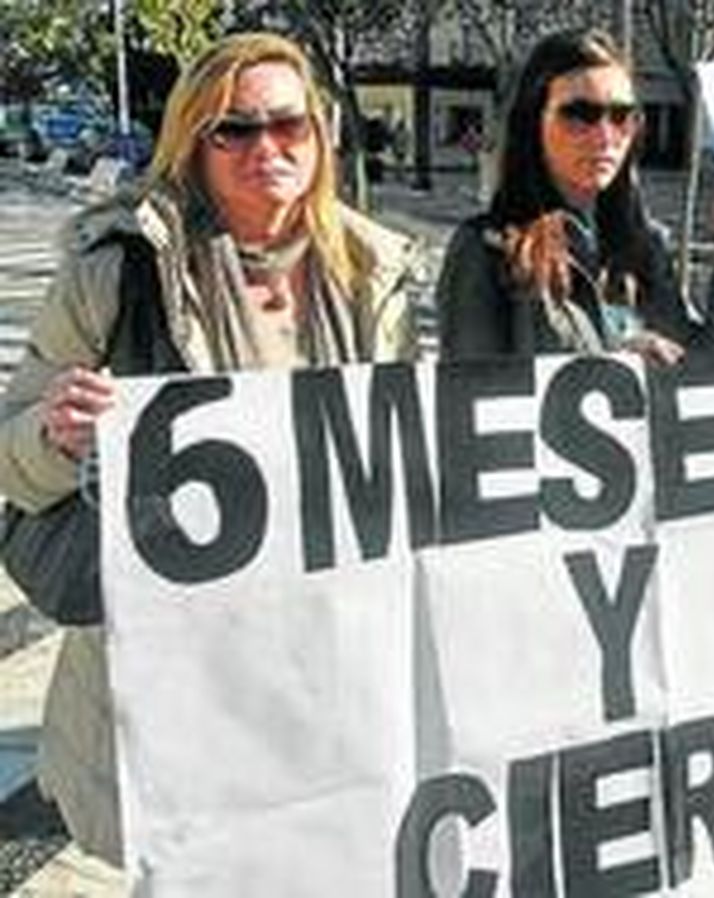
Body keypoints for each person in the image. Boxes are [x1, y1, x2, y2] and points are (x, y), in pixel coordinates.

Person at [0, 31, 418, 865]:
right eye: (234, 128)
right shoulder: (117, 271)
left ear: (322, 135)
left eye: (288, 125)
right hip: (173, 684)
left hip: (325, 672)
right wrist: (53, 428)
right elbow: (8, 453)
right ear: (193, 141)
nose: (266, 146)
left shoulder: (375, 275)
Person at [436, 28, 695, 362]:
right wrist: (615, 365)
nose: (604, 136)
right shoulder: (485, 251)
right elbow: (467, 398)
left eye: (622, 116)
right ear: (533, 122)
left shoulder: (648, 245)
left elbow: (709, 372)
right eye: (580, 115)